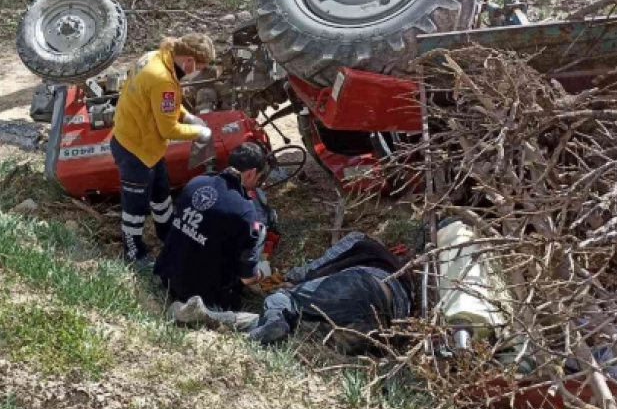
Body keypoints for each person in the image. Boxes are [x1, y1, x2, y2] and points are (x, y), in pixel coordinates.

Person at [172, 231, 413, 354]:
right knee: (292, 323)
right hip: (378, 329)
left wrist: (288, 281)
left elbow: (314, 269)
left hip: (363, 286)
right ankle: (208, 316)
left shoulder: (361, 241)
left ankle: (251, 340)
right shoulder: (407, 278)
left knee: (281, 301)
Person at [110, 33, 216, 267]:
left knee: (161, 193)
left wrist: (186, 115)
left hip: (146, 144)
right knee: (135, 207)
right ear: (189, 60)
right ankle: (133, 251)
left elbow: (156, 103)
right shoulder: (163, 80)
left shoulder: (154, 57)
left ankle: (166, 232)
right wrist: (199, 133)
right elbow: (168, 129)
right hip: (135, 149)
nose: (198, 71)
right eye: (200, 66)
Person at [154, 142, 271, 312]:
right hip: (202, 296)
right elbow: (247, 279)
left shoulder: (196, 182)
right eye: (259, 177)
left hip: (167, 276)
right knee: (259, 231)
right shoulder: (245, 210)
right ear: (252, 173)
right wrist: (261, 272)